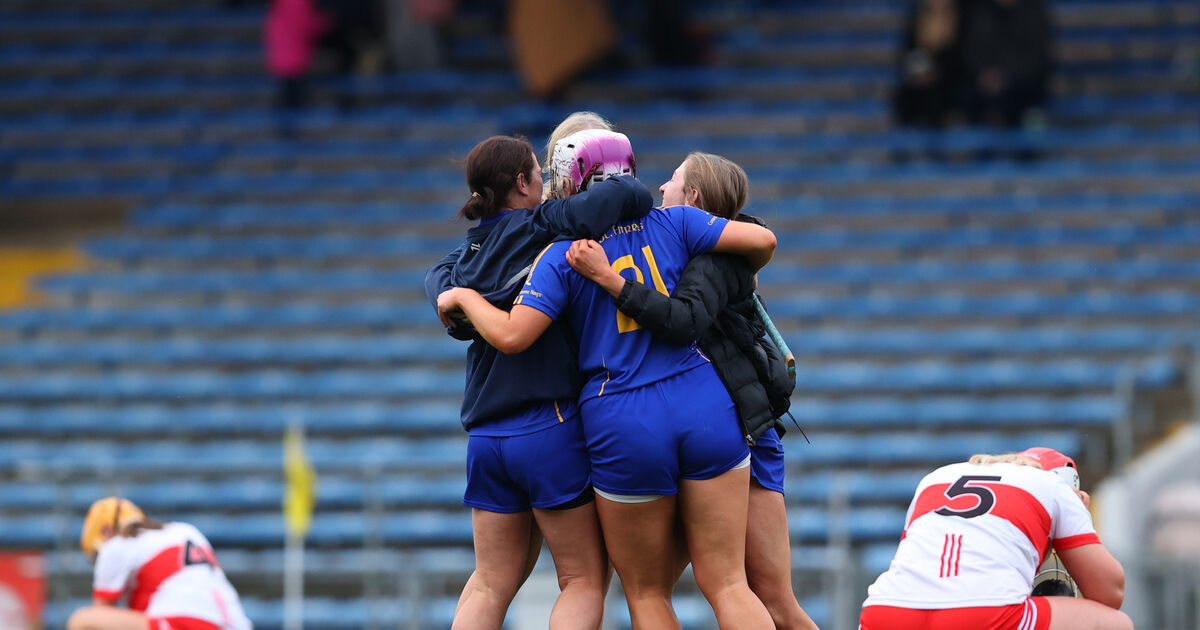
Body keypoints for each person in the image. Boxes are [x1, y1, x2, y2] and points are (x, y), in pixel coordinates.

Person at [436, 130, 778, 629]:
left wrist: (461, 296)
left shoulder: (562, 254)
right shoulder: (676, 221)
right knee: (728, 583)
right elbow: (763, 240)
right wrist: (724, 275)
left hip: (621, 417)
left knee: (645, 591)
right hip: (702, 402)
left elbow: (514, 336)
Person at [565, 151, 819, 630]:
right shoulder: (690, 244)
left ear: (695, 198)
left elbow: (682, 322)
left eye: (674, 181)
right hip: (708, 428)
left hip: (742, 432)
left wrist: (609, 279)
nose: (661, 189)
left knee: (769, 597)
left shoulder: (714, 258)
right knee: (715, 585)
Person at [424, 132, 654, 630]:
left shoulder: (461, 261)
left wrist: (459, 297)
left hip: (485, 437)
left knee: (489, 582)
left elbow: (438, 284)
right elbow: (633, 194)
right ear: (523, 184)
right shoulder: (541, 225)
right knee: (582, 579)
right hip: (545, 426)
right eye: (541, 175)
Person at [859, 447, 1132, 630]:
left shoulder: (935, 478)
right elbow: (1110, 592)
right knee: (1117, 624)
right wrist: (1080, 525)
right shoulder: (1054, 486)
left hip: (885, 612)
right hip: (983, 612)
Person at [68, 497, 253, 630]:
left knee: (82, 621)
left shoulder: (116, 545)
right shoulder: (186, 530)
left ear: (107, 531)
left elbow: (102, 614)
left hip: (186, 624)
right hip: (236, 624)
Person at [959, 0, 1052, 128]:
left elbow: (1036, 57)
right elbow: (971, 50)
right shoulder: (980, 12)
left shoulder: (1032, 13)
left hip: (1022, 87)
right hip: (983, 85)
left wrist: (1006, 76)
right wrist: (984, 73)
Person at [892, 0, 965, 128]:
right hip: (919, 74)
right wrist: (918, 73)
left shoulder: (962, 19)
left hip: (948, 77)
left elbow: (960, 54)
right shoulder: (917, 20)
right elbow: (909, 50)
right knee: (904, 98)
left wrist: (936, 72)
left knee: (937, 97)